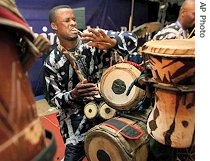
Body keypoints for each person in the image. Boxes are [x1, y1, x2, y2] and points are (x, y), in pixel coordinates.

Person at [43, 5, 138, 161]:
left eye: (74, 19)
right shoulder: (52, 62)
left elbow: (132, 38)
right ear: (54, 26)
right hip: (75, 122)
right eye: (67, 20)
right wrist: (73, 95)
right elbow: (54, 99)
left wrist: (112, 42)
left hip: (108, 111)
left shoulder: (93, 40)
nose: (73, 23)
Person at [148, 0, 195, 161]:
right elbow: (153, 65)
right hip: (166, 103)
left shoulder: (184, 33)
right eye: (195, 14)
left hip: (178, 106)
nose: (198, 19)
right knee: (161, 147)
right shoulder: (170, 34)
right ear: (183, 13)